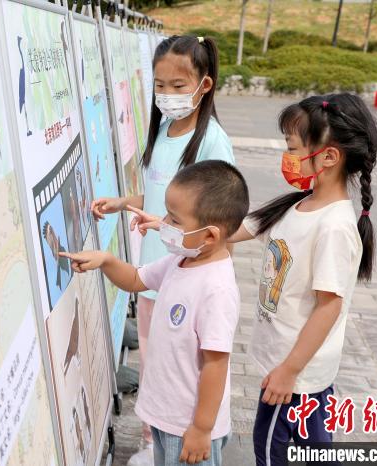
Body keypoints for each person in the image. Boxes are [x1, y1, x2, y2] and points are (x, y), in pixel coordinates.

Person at [90, 35, 235, 463]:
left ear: (204, 85)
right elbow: (160, 197)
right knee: (156, 362)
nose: (167, 95)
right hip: (157, 273)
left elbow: (223, 217)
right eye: (160, 85)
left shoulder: (212, 143)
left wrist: (174, 234)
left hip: (185, 276)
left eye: (177, 85)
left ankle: (187, 437)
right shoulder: (165, 129)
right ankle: (156, 444)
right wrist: (124, 202)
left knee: (184, 366)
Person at [64, 160, 249, 466]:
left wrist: (202, 429)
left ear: (210, 236)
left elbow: (216, 364)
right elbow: (137, 279)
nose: (163, 223)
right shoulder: (181, 261)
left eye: (174, 220)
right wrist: (106, 261)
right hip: (166, 416)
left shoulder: (217, 289)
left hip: (189, 427)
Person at [228, 94, 377, 465]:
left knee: (270, 450)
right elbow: (238, 228)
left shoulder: (334, 227)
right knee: (312, 447)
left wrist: (288, 371)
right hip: (297, 370)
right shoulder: (299, 204)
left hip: (292, 374)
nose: (288, 156)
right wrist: (180, 227)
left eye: (293, 147)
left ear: (329, 157)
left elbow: (329, 308)